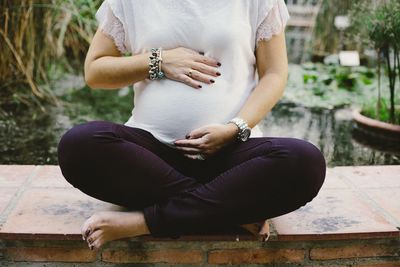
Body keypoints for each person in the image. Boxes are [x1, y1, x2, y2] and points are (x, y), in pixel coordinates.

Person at [57, 0, 326, 250]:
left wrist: (235, 128)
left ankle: (144, 222)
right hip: (152, 159)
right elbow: (95, 71)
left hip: (233, 155)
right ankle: (228, 208)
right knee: (78, 145)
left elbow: (275, 73)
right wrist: (158, 61)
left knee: (305, 162)